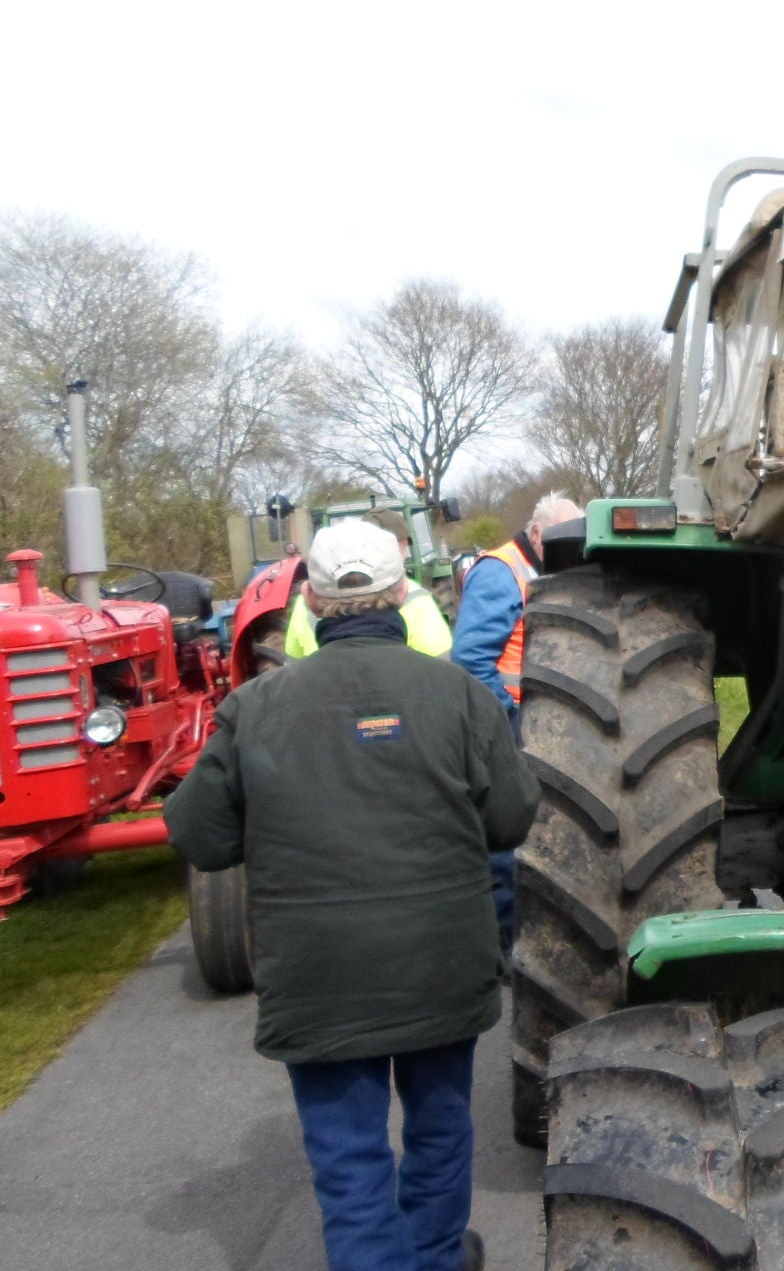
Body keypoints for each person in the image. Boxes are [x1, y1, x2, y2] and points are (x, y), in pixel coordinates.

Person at [165, 519, 538, 1271]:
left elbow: (201, 836)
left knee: (348, 1153)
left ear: (309, 598)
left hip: (318, 971)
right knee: (439, 1127)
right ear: (402, 594)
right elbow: (510, 819)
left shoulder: (255, 707)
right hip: (440, 959)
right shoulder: (460, 695)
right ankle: (434, 1255)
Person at [453, 492, 584, 939]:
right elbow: (471, 659)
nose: (570, 548)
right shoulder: (501, 571)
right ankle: (506, 939)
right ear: (536, 533)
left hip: (540, 719)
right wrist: (510, 717)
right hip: (513, 722)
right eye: (561, 538)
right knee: (511, 834)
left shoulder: (547, 570)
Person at [281, 524, 452, 661]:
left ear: (309, 596)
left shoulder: (273, 691)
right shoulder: (418, 598)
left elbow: (293, 661)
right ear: (402, 591)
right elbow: (439, 660)